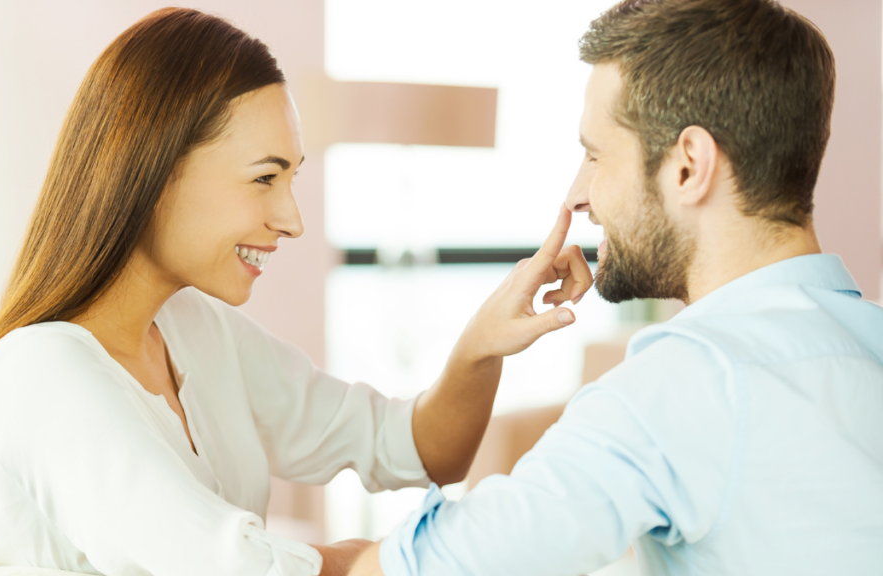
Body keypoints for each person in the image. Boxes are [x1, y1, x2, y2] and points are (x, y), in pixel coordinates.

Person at [0, 8, 593, 576]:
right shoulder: (38, 368)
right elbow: (226, 567)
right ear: (158, 174)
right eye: (263, 179)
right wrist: (404, 557)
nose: (292, 219)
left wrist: (483, 342)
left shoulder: (197, 328)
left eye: (293, 178)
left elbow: (417, 449)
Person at [335, 0, 883, 574]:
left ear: (689, 166)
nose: (578, 195)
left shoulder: (689, 379)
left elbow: (433, 568)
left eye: (596, 155)